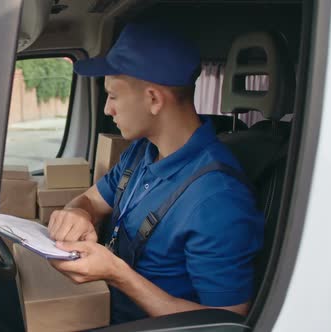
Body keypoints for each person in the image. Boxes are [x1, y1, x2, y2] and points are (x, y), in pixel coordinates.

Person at [48, 22, 264, 324]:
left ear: (153, 99)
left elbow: (225, 323)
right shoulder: (141, 152)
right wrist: (78, 213)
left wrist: (117, 273)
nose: (108, 109)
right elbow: (91, 200)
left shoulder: (218, 199)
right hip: (101, 304)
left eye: (112, 95)